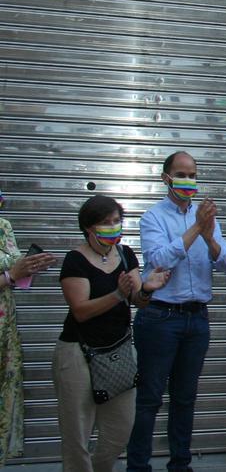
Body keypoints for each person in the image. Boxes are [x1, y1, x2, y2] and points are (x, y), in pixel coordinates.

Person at [126, 151, 226, 472]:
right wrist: (195, 230)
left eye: (193, 174)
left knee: (185, 398)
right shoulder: (153, 217)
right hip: (160, 318)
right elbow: (159, 260)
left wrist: (208, 234)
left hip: (196, 318)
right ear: (166, 178)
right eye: (181, 174)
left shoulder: (207, 218)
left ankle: (180, 464)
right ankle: (138, 466)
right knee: (149, 398)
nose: (188, 180)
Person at [56, 195, 169, 472]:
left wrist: (146, 290)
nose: (113, 227)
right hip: (77, 354)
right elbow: (81, 310)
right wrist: (118, 293)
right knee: (77, 435)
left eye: (117, 221)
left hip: (118, 350)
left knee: (120, 429)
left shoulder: (125, 254)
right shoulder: (75, 261)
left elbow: (136, 301)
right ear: (88, 227)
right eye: (105, 223)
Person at [1, 187, 56, 464]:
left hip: (4, 328)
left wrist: (27, 268)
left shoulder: (3, 226)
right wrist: (10, 276)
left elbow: (13, 266)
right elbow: (9, 273)